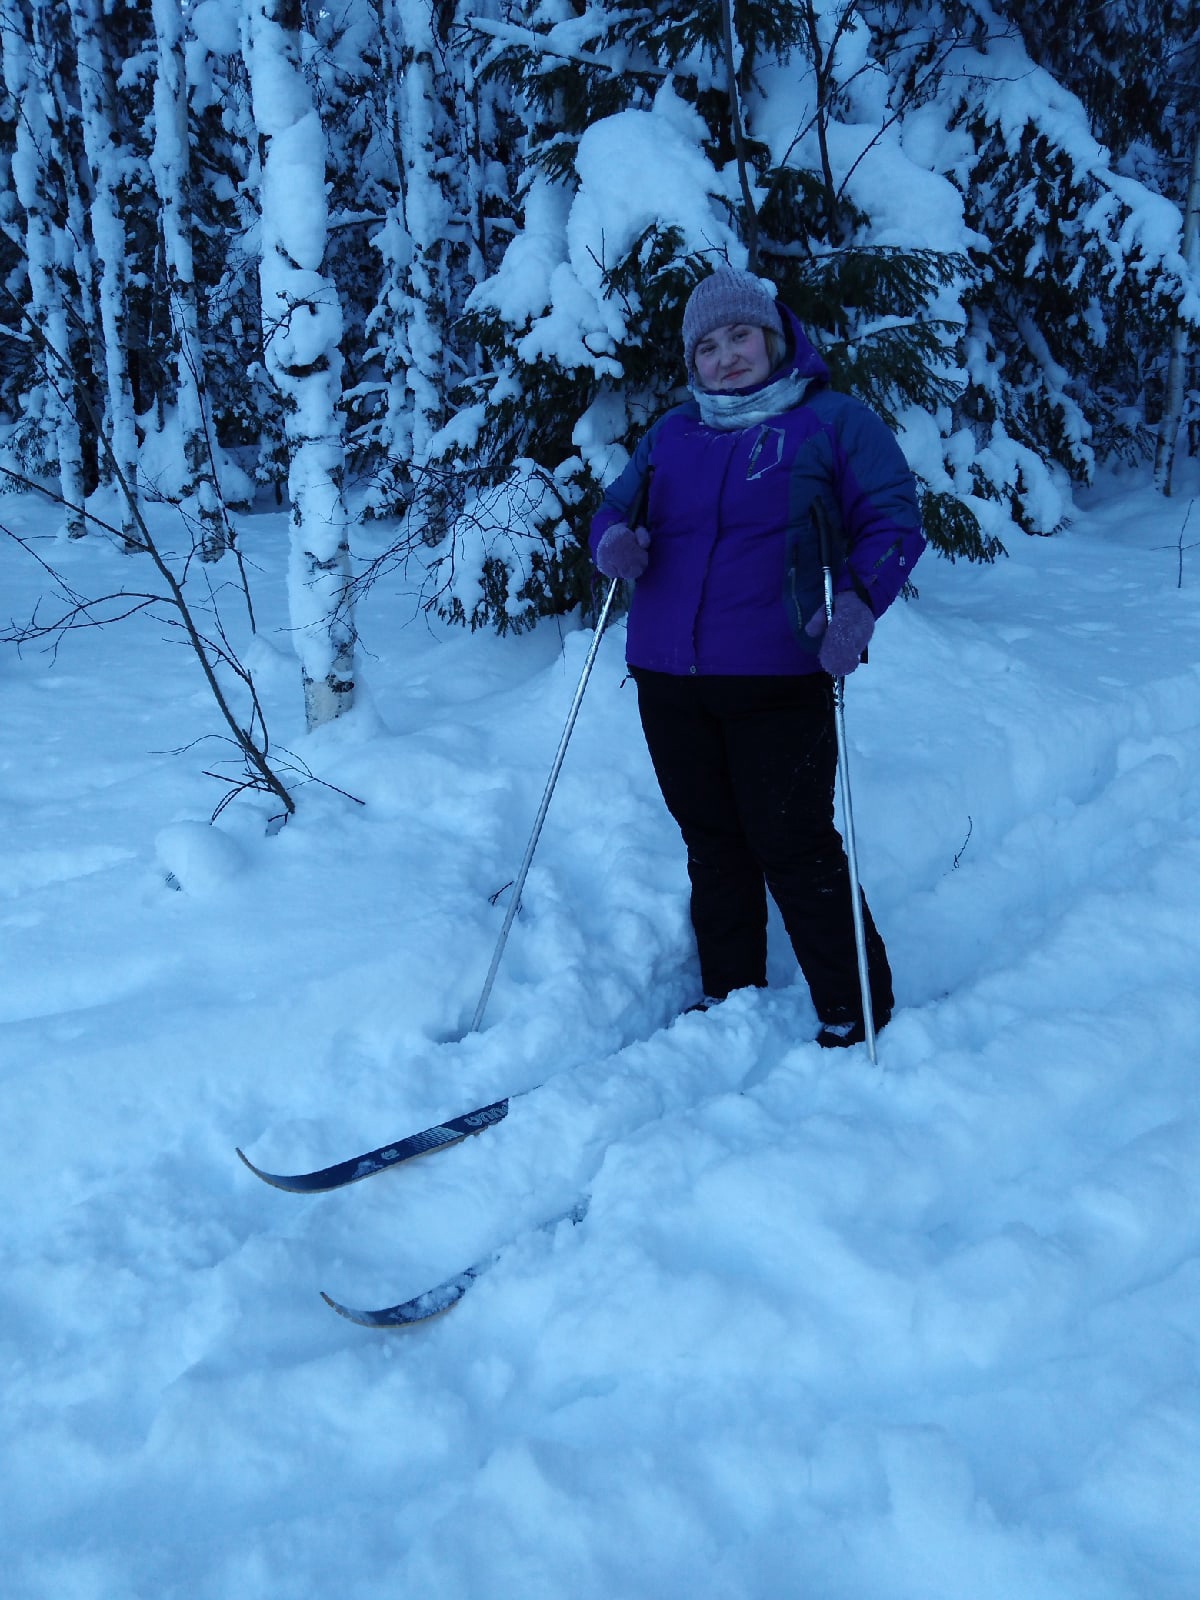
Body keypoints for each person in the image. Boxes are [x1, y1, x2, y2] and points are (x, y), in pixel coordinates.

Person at [589, 263, 925, 1047]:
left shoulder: (834, 421)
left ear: (775, 340)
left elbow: (892, 520)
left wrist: (858, 609)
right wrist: (613, 543)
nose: (725, 356)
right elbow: (615, 505)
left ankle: (856, 1004)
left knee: (794, 842)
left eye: (740, 335)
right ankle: (727, 990)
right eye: (707, 345)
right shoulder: (673, 434)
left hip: (779, 671)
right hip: (668, 673)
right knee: (711, 840)